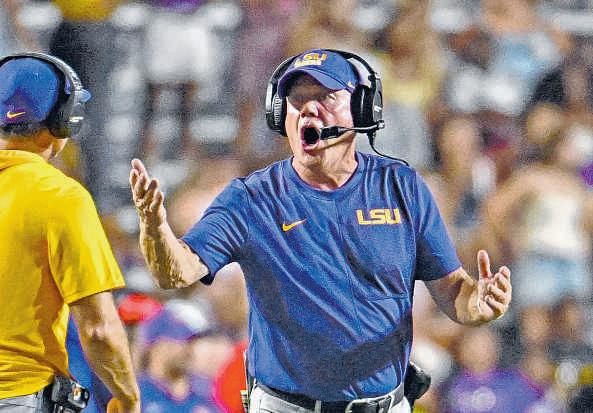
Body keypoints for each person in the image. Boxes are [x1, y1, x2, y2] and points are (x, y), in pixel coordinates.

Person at [130, 48, 512, 413]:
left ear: (362, 109)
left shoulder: (401, 187)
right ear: (280, 115)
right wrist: (155, 230)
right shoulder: (252, 199)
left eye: (326, 97)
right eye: (297, 100)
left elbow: (453, 292)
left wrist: (477, 304)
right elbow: (175, 273)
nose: (309, 108)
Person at [0, 53, 140, 412]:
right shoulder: (60, 197)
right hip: (19, 395)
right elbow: (97, 329)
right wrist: (127, 397)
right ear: (65, 118)